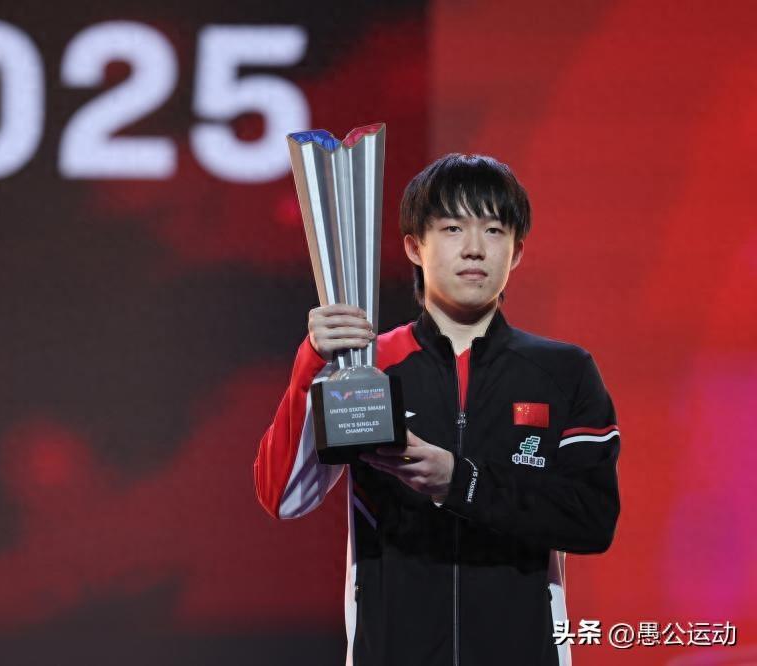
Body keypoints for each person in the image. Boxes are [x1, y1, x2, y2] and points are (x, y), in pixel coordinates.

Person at [253, 153, 620, 665]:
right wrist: (311, 364)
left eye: (494, 230)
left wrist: (459, 482)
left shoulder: (563, 371)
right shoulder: (366, 365)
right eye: (452, 228)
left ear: (516, 252)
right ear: (414, 247)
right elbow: (283, 497)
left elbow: (592, 520)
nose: (474, 248)